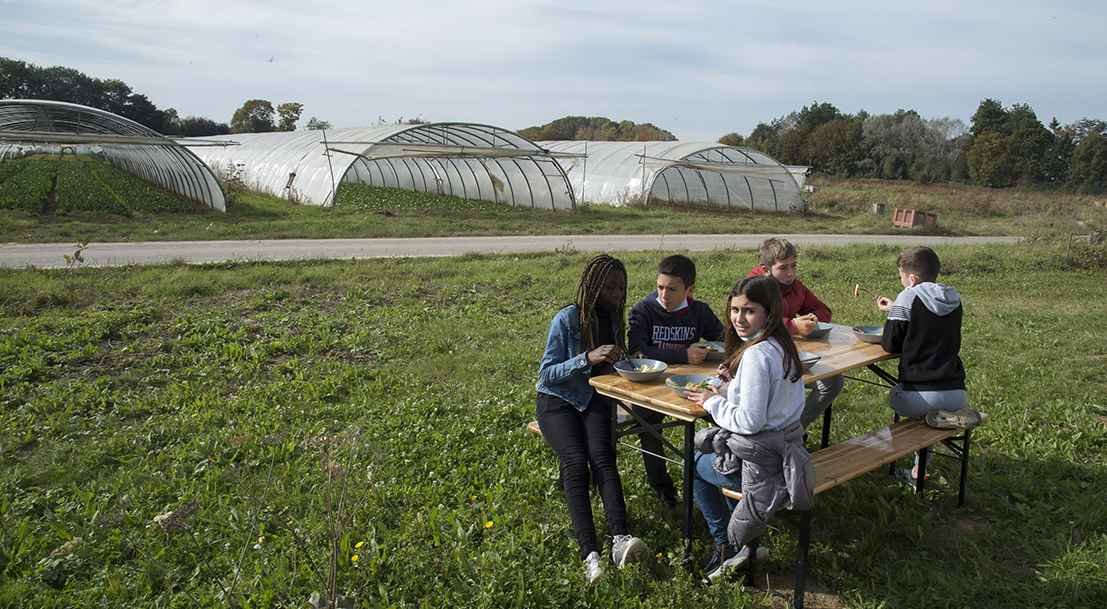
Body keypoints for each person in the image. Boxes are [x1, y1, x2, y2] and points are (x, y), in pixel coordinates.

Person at [683, 275, 815, 581]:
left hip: (764, 465)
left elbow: (750, 422)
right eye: (735, 309)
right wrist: (732, 389)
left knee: (693, 463)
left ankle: (728, 544)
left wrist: (711, 401)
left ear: (770, 312)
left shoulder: (756, 354)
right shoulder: (782, 344)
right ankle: (747, 541)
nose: (739, 318)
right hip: (786, 452)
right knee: (718, 457)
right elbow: (774, 404)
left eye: (749, 311)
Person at [535, 254, 650, 583]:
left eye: (622, 287)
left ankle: (620, 540)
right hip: (558, 400)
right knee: (575, 461)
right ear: (593, 286)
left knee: (603, 457)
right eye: (611, 287)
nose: (617, 293)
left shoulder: (613, 318)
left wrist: (627, 362)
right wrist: (586, 357)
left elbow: (608, 368)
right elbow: (546, 373)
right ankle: (591, 554)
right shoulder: (567, 319)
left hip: (595, 398)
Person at [871, 246, 981, 486]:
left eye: (901, 276)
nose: (901, 282)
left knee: (895, 397)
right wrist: (896, 309)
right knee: (931, 417)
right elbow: (929, 323)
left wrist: (895, 312)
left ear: (912, 278)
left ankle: (922, 422)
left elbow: (890, 344)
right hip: (957, 394)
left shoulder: (908, 295)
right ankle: (918, 469)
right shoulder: (953, 298)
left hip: (918, 395)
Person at [627, 254, 725, 505]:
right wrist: (683, 354)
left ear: (689, 290)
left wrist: (718, 352)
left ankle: (728, 474)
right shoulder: (644, 311)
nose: (664, 295)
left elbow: (724, 338)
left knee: (726, 414)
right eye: (660, 287)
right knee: (648, 426)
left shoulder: (699, 311)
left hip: (693, 385)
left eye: (672, 289)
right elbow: (637, 352)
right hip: (653, 386)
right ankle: (665, 491)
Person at [747, 237, 844, 430]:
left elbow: (823, 310)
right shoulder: (751, 289)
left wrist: (811, 319)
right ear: (766, 270)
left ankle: (795, 429)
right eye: (783, 268)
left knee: (834, 380)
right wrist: (792, 326)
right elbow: (752, 327)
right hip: (756, 359)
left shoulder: (795, 287)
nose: (790, 274)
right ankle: (777, 433)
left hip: (788, 355)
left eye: (794, 266)